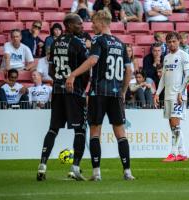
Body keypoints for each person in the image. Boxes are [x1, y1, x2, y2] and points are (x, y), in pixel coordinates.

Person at [65, 10, 134, 181]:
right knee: (120, 133)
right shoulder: (121, 44)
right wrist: (124, 91)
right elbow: (129, 70)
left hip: (98, 92)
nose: (91, 25)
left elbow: (92, 61)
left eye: (94, 22)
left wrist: (73, 74)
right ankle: (127, 172)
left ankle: (96, 173)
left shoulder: (99, 41)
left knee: (95, 131)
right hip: (116, 93)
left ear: (102, 22)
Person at [36, 14, 89, 181]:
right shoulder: (78, 43)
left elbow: (51, 70)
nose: (82, 26)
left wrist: (60, 80)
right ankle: (75, 168)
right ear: (69, 25)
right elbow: (86, 69)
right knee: (80, 129)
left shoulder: (56, 42)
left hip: (58, 91)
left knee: (53, 129)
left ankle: (42, 166)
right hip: (73, 92)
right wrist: (82, 88)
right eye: (79, 24)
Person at [154, 31, 189, 162]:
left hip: (178, 96)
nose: (172, 44)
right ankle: (182, 153)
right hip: (168, 95)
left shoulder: (184, 55)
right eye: (169, 42)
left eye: (174, 41)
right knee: (172, 125)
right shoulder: (166, 57)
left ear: (179, 41)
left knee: (175, 124)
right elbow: (163, 77)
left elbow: (188, 76)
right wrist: (157, 93)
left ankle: (173, 153)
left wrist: (181, 92)